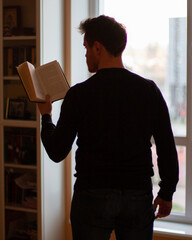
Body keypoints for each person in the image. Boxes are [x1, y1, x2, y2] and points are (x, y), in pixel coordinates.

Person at [37, 15, 179, 240]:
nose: (85, 55)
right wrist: (167, 192)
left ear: (98, 47)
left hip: (91, 194)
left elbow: (56, 151)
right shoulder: (148, 91)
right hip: (137, 194)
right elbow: (166, 146)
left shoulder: (79, 94)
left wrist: (46, 116)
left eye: (86, 48)